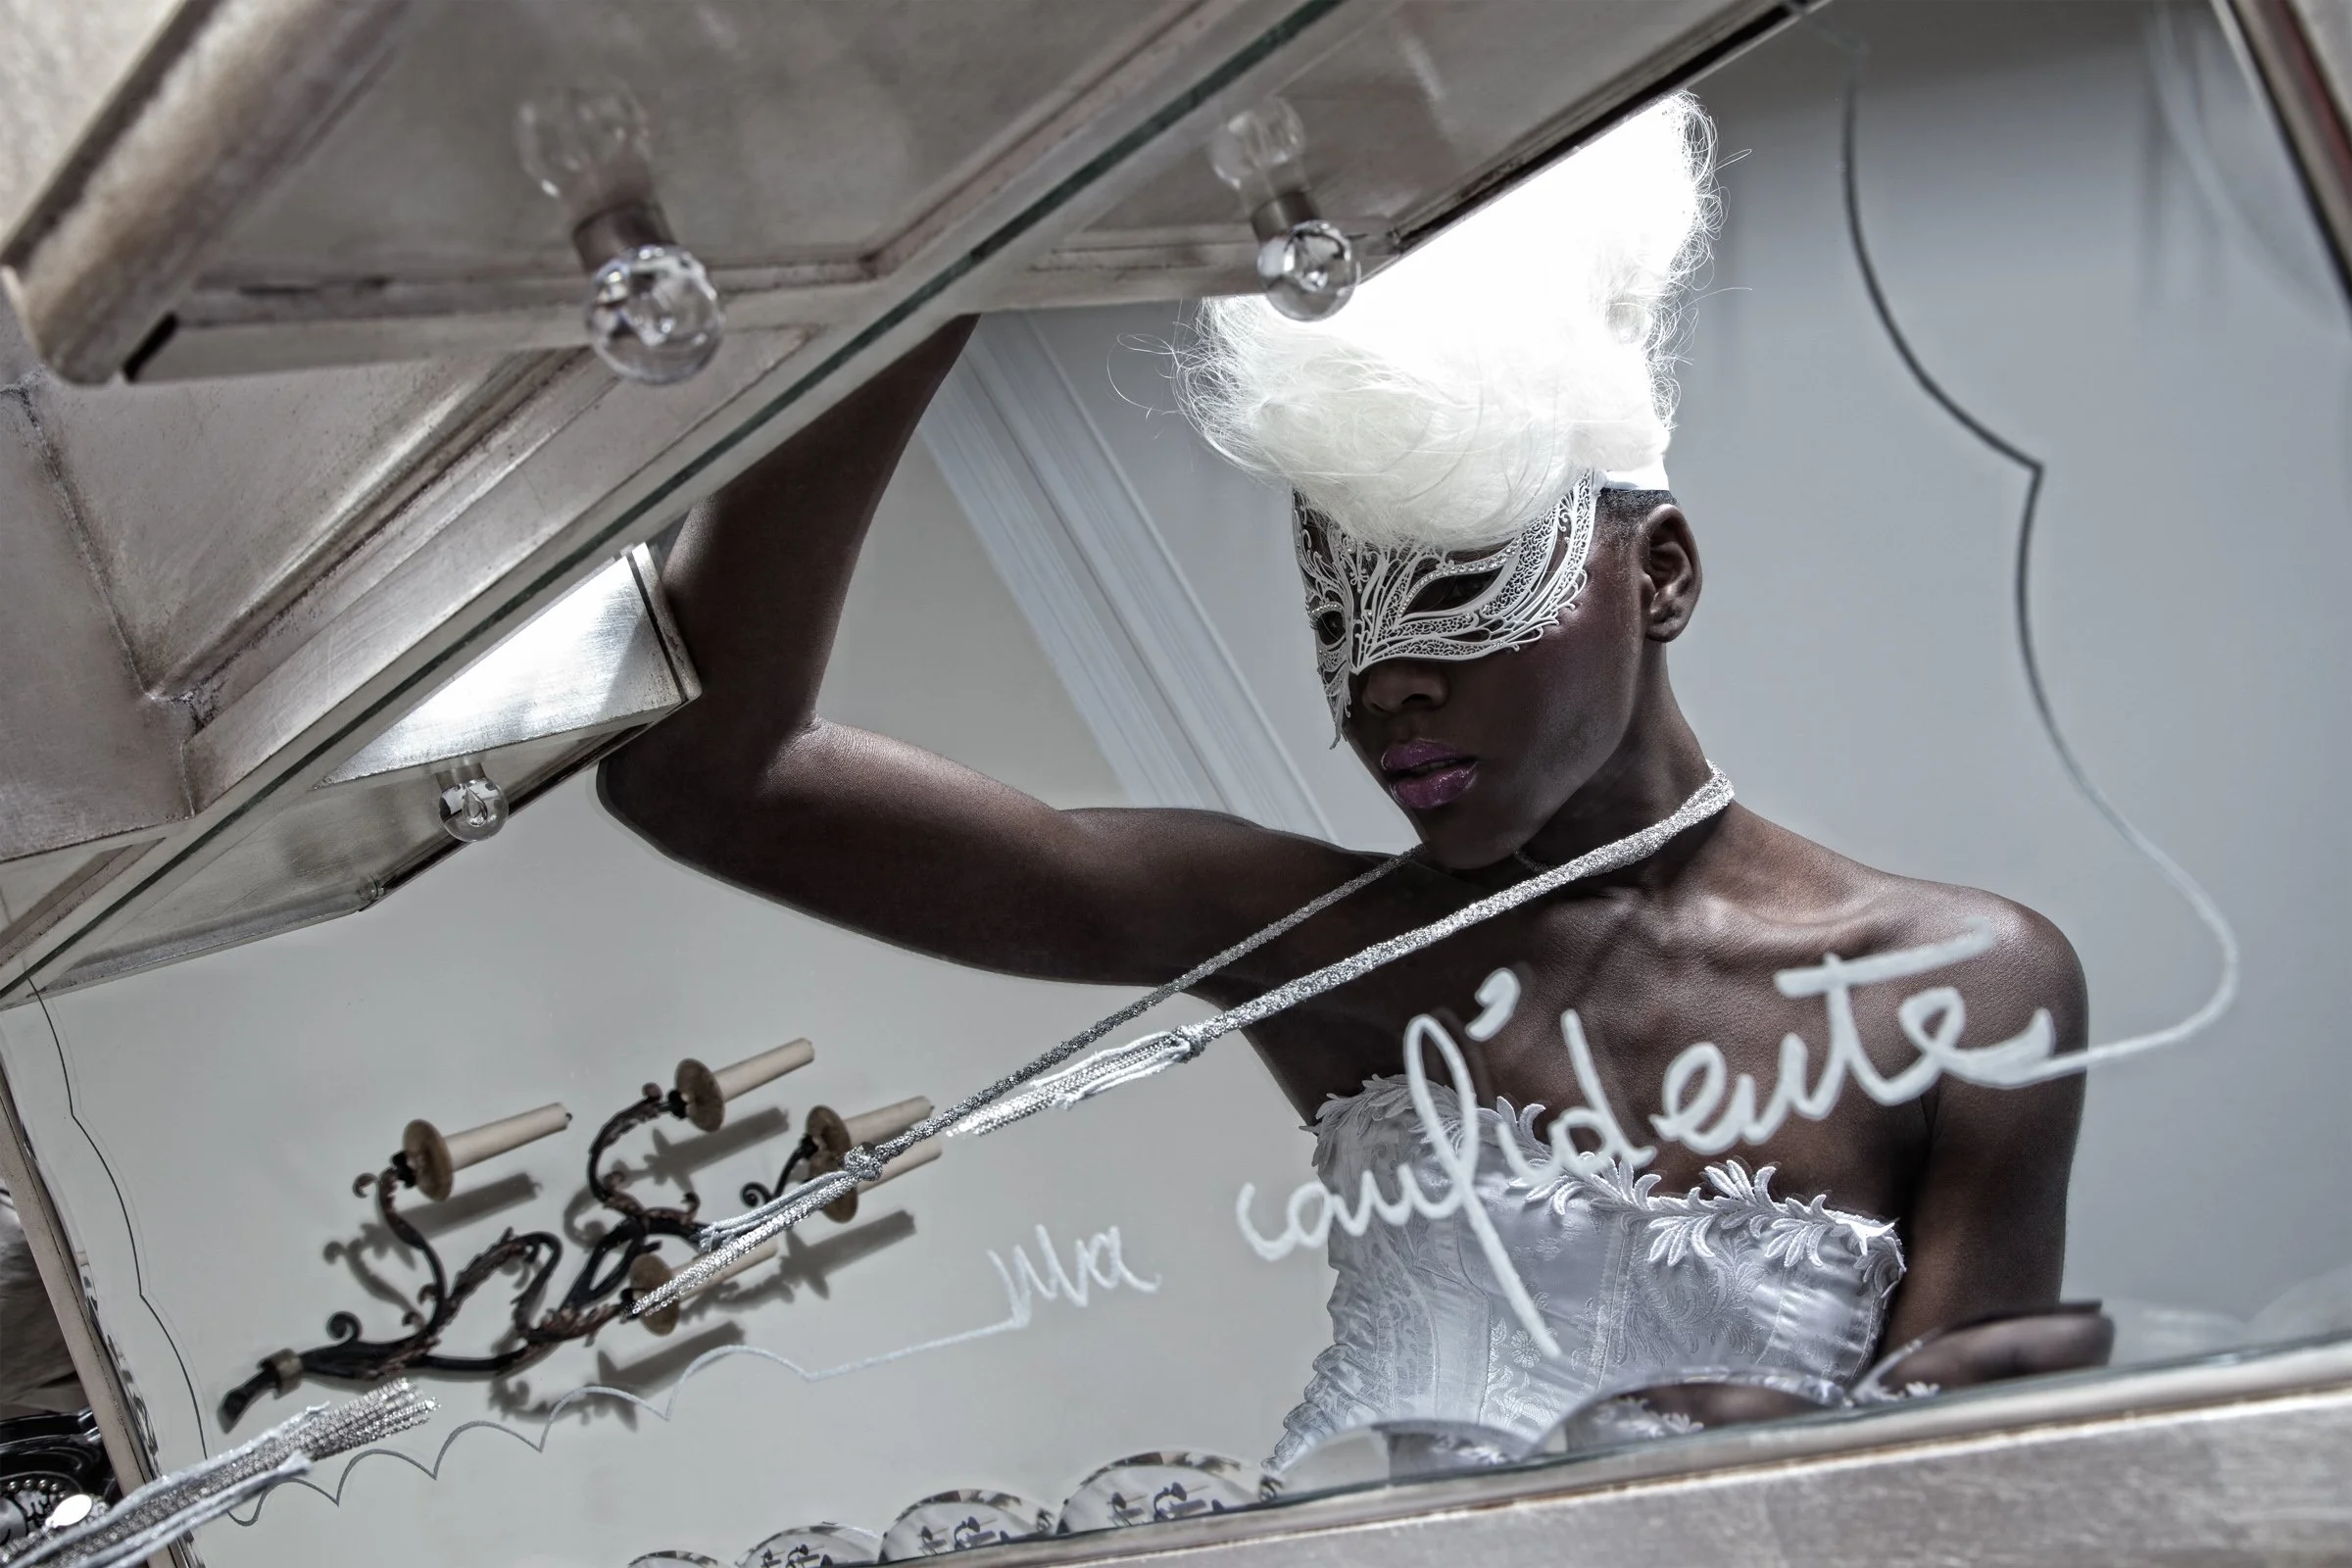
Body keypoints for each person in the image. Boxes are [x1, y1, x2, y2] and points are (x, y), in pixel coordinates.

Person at [599, 96, 2090, 1464]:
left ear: (1664, 574)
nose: (1384, 685)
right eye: (1338, 617)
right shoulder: (1318, 945)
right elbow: (705, 773)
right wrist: (941, 250)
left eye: (1457, 586)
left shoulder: (1959, 989)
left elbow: (1975, 1503)